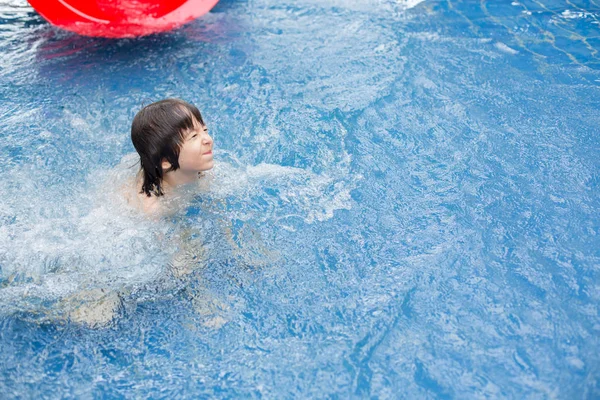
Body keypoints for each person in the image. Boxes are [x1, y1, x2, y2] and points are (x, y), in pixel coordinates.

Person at [129, 98, 214, 214]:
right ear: (165, 160)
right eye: (194, 136)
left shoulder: (205, 174)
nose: (208, 139)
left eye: (205, 130)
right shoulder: (155, 208)